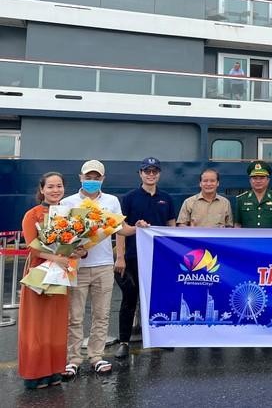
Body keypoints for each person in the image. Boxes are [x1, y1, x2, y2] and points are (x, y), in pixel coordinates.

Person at [60, 160, 135, 376]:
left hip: (103, 266)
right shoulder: (68, 202)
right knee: (75, 316)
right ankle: (73, 359)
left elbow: (121, 228)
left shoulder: (111, 201)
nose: (92, 181)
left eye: (96, 177)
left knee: (101, 315)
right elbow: (61, 238)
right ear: (80, 177)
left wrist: (137, 228)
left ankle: (96, 356)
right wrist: (75, 249)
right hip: (78, 267)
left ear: (103, 179)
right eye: (88, 177)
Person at [18, 172, 74, 389]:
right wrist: (56, 258)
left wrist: (78, 250)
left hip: (61, 275)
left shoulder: (69, 215)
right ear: (42, 190)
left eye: (59, 186)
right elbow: (32, 244)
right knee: (36, 326)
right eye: (50, 186)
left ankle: (53, 370)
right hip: (38, 275)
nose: (55, 190)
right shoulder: (32, 215)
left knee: (57, 324)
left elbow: (76, 241)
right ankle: (33, 374)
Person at [115, 157, 176, 359]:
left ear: (159, 174)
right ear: (140, 174)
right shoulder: (130, 198)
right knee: (129, 300)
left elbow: (171, 228)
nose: (151, 175)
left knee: (157, 299)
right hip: (133, 257)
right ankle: (124, 341)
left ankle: (159, 338)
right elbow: (120, 229)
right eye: (146, 171)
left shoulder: (166, 198)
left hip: (158, 258)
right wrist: (120, 257)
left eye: (154, 171)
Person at [235, 161, 272, 228]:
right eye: (255, 178)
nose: (258, 181)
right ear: (250, 180)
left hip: (270, 237)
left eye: (262, 178)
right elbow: (237, 224)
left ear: (268, 180)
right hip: (248, 238)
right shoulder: (241, 199)